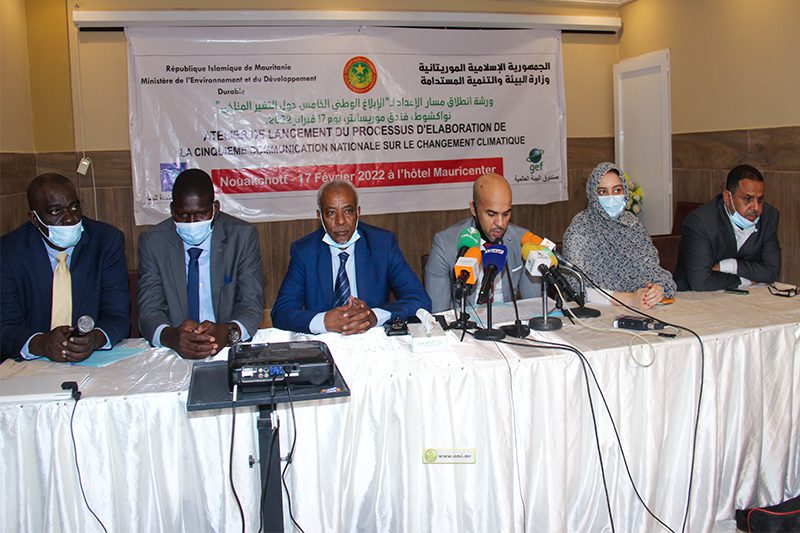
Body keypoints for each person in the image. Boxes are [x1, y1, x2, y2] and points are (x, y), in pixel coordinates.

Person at [271, 180, 431, 334]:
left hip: (371, 339)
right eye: (331, 213)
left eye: (348, 211)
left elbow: (420, 300)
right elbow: (281, 312)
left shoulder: (382, 245)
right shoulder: (305, 252)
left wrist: (375, 316)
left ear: (358, 212)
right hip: (326, 340)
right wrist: (324, 321)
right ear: (319, 216)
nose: (340, 221)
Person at [0, 173, 130, 362]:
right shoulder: (8, 252)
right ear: (34, 219)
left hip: (93, 360)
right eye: (56, 212)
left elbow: (117, 314)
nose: (70, 219)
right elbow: (5, 326)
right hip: (32, 363)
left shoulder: (105, 241)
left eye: (74, 207)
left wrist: (94, 339)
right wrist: (41, 344)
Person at [137, 169, 264, 359]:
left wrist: (227, 333)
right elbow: (149, 310)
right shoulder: (153, 243)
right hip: (173, 352)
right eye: (182, 215)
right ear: (172, 210)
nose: (192, 223)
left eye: (201, 214)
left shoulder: (242, 238)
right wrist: (171, 337)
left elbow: (251, 305)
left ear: (215, 209)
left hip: (227, 348)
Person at [562, 162, 676, 310]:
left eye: (617, 190)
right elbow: (574, 287)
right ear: (592, 195)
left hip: (641, 307)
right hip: (597, 313)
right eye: (603, 192)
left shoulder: (632, 224)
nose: (611, 197)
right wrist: (628, 299)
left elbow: (651, 268)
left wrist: (656, 289)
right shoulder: (580, 228)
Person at [424, 173, 540, 313]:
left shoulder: (523, 241)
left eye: (506, 214)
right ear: (474, 209)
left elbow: (534, 306)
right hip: (465, 323)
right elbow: (439, 313)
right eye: (491, 214)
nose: (500, 223)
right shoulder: (444, 244)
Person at [674, 164, 780, 291]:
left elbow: (771, 271)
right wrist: (744, 281)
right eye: (747, 199)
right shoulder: (700, 222)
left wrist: (729, 266)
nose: (756, 207)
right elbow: (701, 282)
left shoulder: (768, 217)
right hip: (693, 297)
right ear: (727, 198)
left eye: (760, 199)